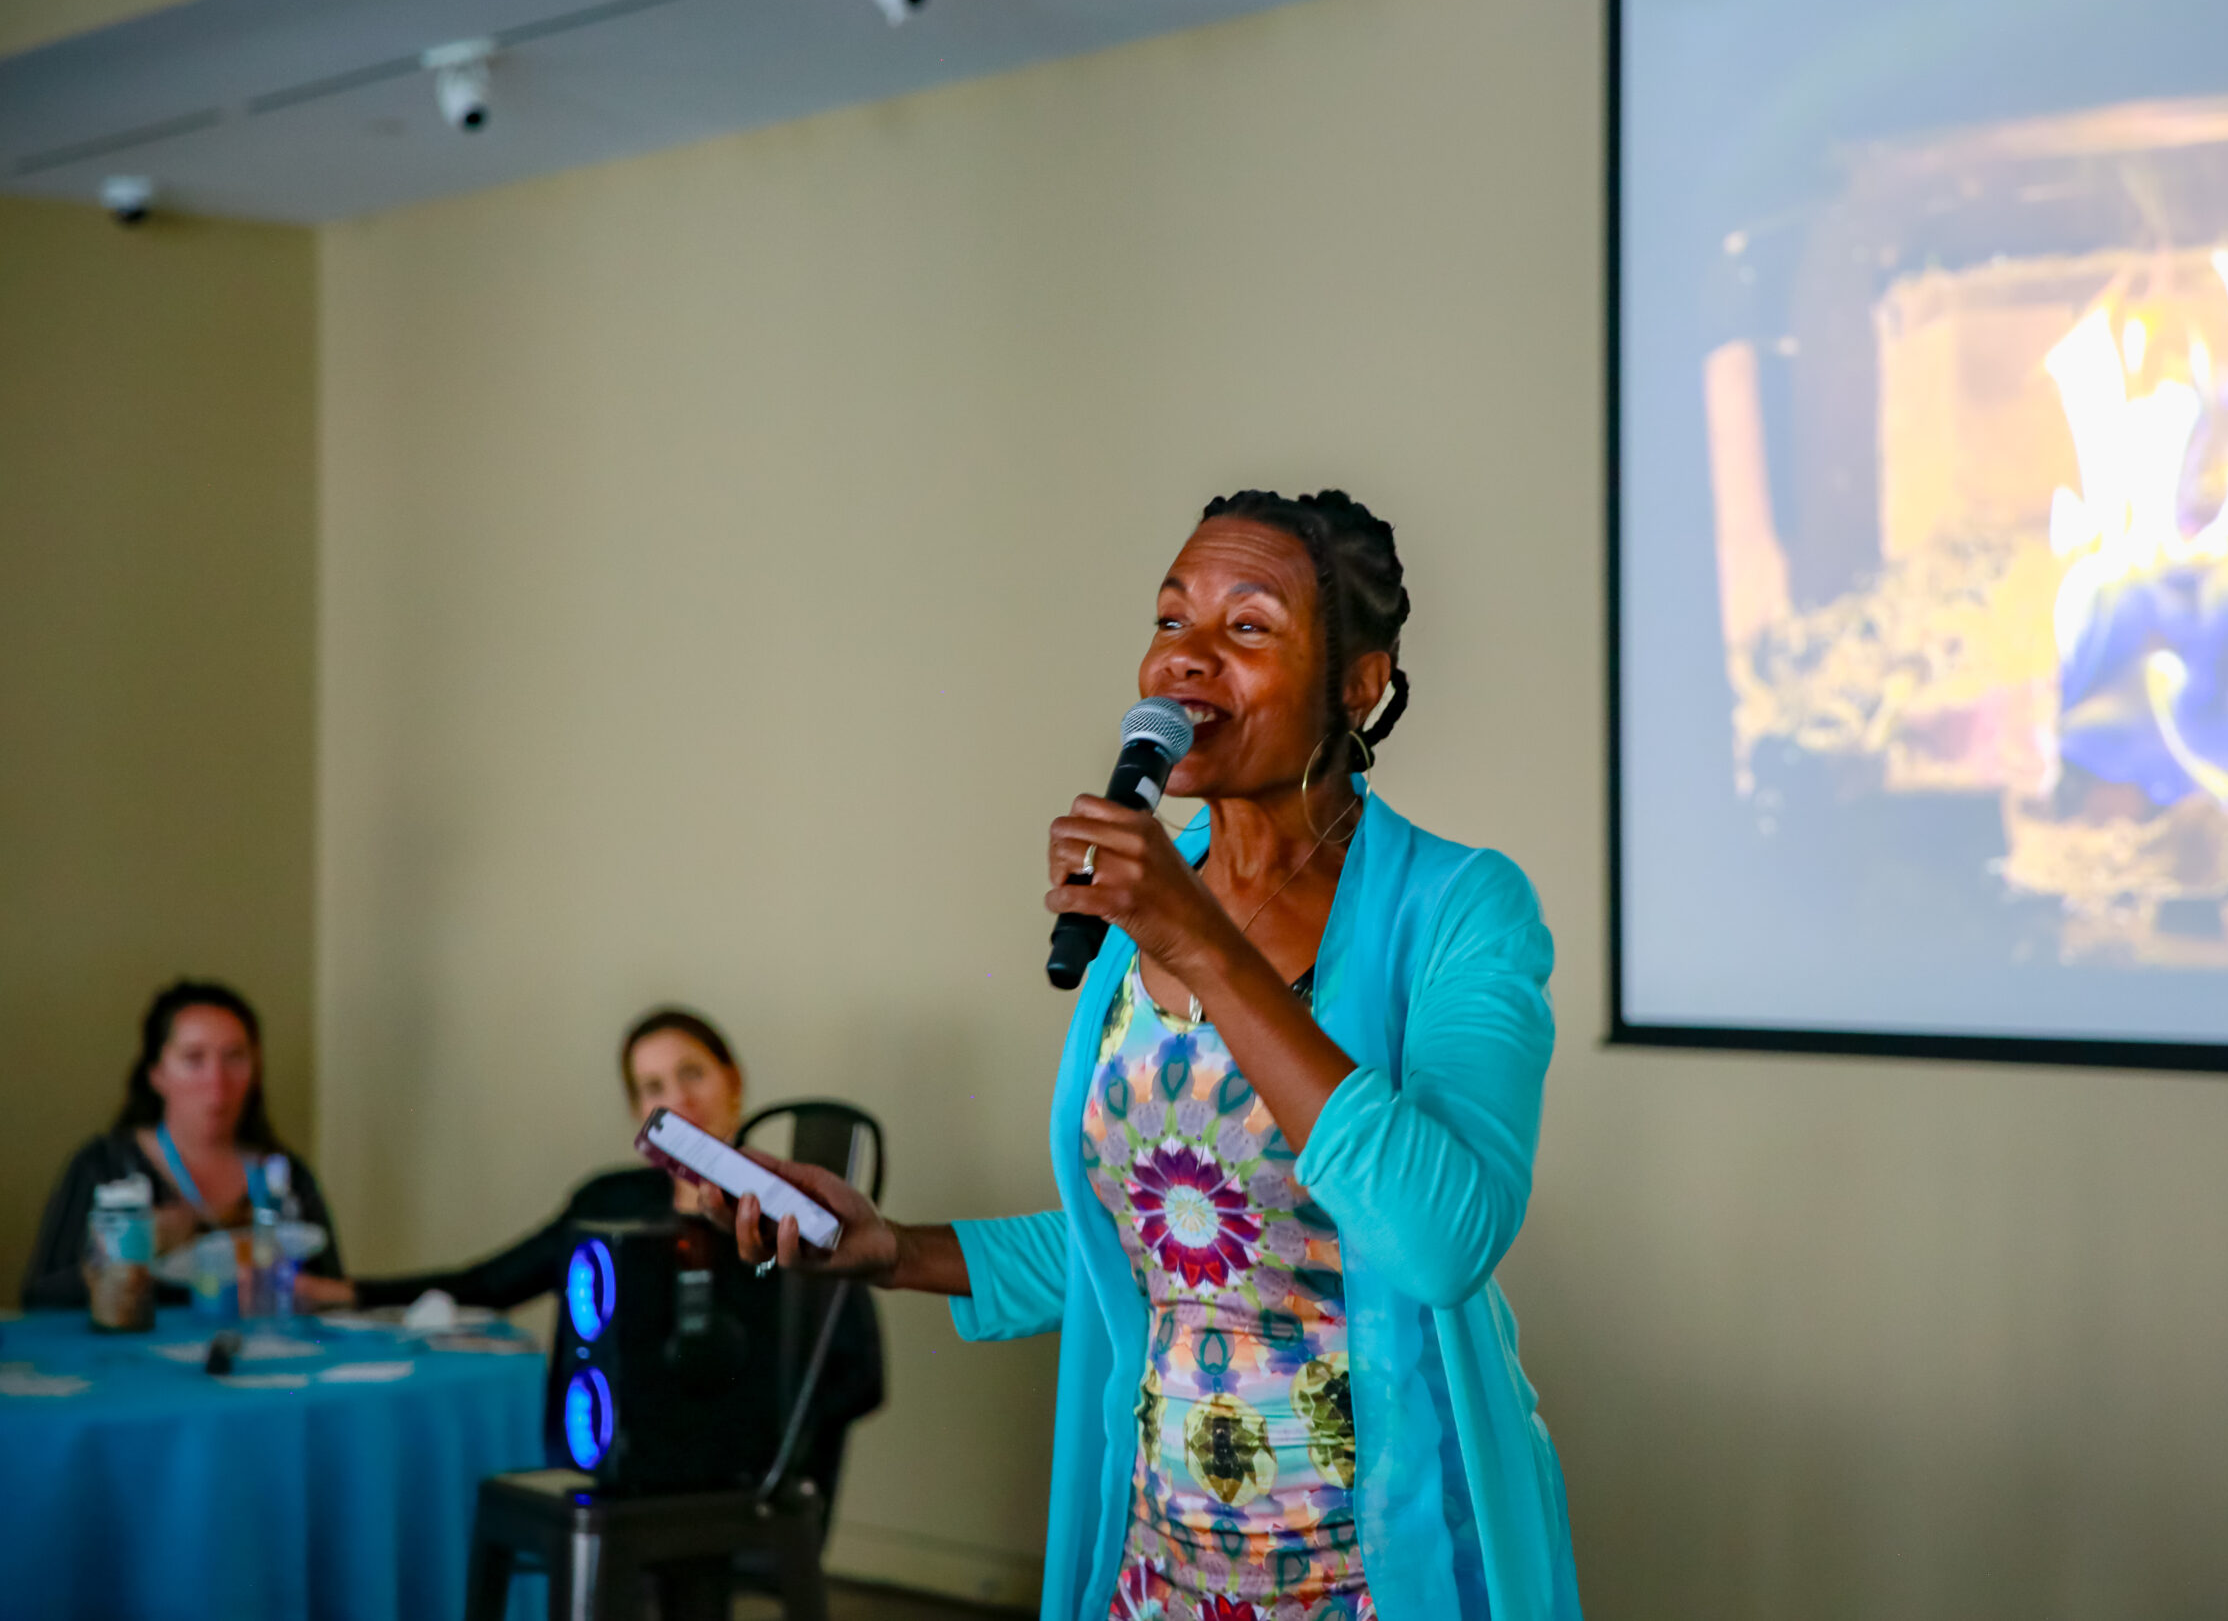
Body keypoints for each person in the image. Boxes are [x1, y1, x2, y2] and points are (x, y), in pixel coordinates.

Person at [714, 491, 1581, 1621]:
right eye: (1171, 622)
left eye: (1248, 629)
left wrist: (1200, 944)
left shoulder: (1461, 909)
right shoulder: (1152, 906)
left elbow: (1440, 1242)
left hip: (1373, 1578)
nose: (1186, 661)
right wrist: (889, 1248)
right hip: (1159, 1567)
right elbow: (1164, 1245)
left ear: (1359, 685)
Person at [296, 1006, 884, 1498]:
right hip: (613, 1465)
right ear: (640, 1114)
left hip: (739, 1476)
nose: (679, 1098)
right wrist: (350, 1294)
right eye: (654, 1087)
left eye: (693, 1074)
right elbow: (494, 1282)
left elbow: (858, 1374)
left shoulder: (789, 1217)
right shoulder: (608, 1204)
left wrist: (764, 1442)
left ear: (734, 1080)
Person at [24, 979, 343, 1309]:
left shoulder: (286, 1175)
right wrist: (130, 1255)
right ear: (157, 1074)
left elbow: (336, 1297)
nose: (217, 1081)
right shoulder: (105, 1166)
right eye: (194, 1058)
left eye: (235, 1057)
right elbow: (38, 1298)